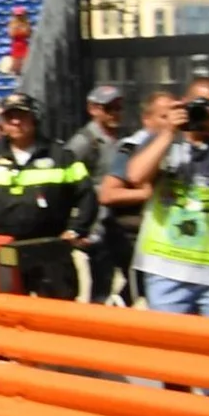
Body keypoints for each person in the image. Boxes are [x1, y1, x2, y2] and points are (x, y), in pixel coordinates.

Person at [116, 83, 209, 317]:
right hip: (167, 265)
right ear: (182, 103)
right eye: (197, 104)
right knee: (173, 344)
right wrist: (169, 132)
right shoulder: (161, 138)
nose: (203, 111)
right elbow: (136, 175)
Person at [0, 96, 93, 300]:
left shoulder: (60, 155)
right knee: (10, 306)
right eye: (10, 117)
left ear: (34, 118)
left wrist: (76, 229)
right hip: (5, 249)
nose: (16, 122)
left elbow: (87, 195)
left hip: (50, 246)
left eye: (22, 116)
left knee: (57, 308)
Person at [68, 84, 139, 303]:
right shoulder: (85, 142)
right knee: (102, 282)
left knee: (136, 276)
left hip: (119, 223)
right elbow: (67, 181)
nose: (116, 113)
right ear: (94, 109)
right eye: (109, 108)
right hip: (96, 225)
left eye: (118, 107)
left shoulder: (124, 139)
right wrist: (77, 224)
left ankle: (117, 306)